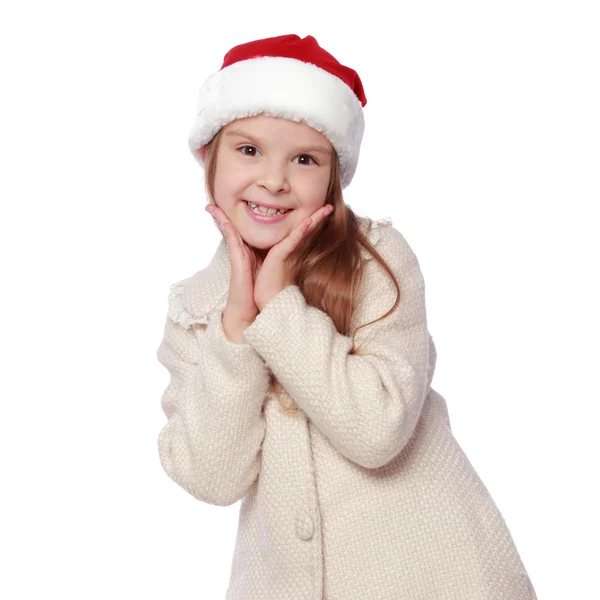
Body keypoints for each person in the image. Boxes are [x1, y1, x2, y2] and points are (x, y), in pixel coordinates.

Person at [156, 34, 537, 600]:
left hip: (438, 577)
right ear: (206, 156)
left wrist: (280, 308)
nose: (274, 180)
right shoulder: (197, 310)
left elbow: (378, 431)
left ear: (334, 176)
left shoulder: (377, 262)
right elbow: (211, 477)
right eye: (249, 150)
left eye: (304, 159)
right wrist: (237, 324)